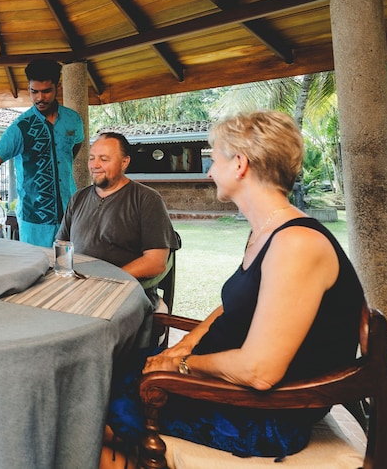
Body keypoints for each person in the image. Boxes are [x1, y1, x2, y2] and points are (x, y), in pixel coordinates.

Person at [100, 110, 365, 467]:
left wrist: (182, 365)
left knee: (94, 404)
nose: (209, 171)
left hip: (264, 415)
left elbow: (260, 371)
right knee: (100, 373)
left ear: (240, 164)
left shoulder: (297, 244)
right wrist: (182, 347)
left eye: (214, 159)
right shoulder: (267, 232)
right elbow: (231, 307)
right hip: (230, 389)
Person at [55, 132, 177, 301]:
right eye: (92, 158)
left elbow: (156, 262)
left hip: (126, 292)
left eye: (104, 159)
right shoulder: (78, 198)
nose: (95, 165)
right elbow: (62, 245)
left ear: (124, 162)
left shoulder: (146, 199)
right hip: (79, 288)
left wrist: (108, 279)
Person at [0, 59, 84, 247]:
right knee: (37, 264)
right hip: (33, 219)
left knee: (70, 263)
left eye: (46, 91)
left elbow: (75, 147)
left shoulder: (73, 120)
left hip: (70, 214)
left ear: (57, 87)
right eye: (34, 91)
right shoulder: (21, 127)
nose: (40, 98)